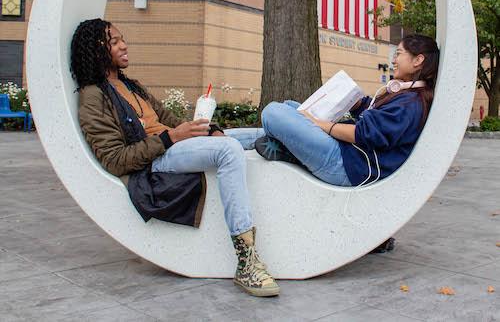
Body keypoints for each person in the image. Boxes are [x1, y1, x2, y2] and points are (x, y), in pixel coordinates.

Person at [70, 18, 279, 297]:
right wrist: (171, 138)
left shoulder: (130, 86)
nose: (124, 45)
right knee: (229, 150)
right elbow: (115, 159)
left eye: (123, 39)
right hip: (155, 160)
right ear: (97, 50)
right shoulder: (93, 97)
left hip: (173, 145)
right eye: (115, 42)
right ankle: (246, 261)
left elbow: (171, 121)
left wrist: (210, 131)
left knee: (259, 133)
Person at [257, 35, 439, 188]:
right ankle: (230, 140)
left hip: (347, 164)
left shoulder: (410, 103)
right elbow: (378, 122)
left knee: (273, 112)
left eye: (398, 54)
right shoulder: (407, 97)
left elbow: (364, 134)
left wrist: (320, 124)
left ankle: (291, 151)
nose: (393, 60)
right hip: (348, 155)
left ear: (418, 60)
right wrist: (357, 104)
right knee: (290, 107)